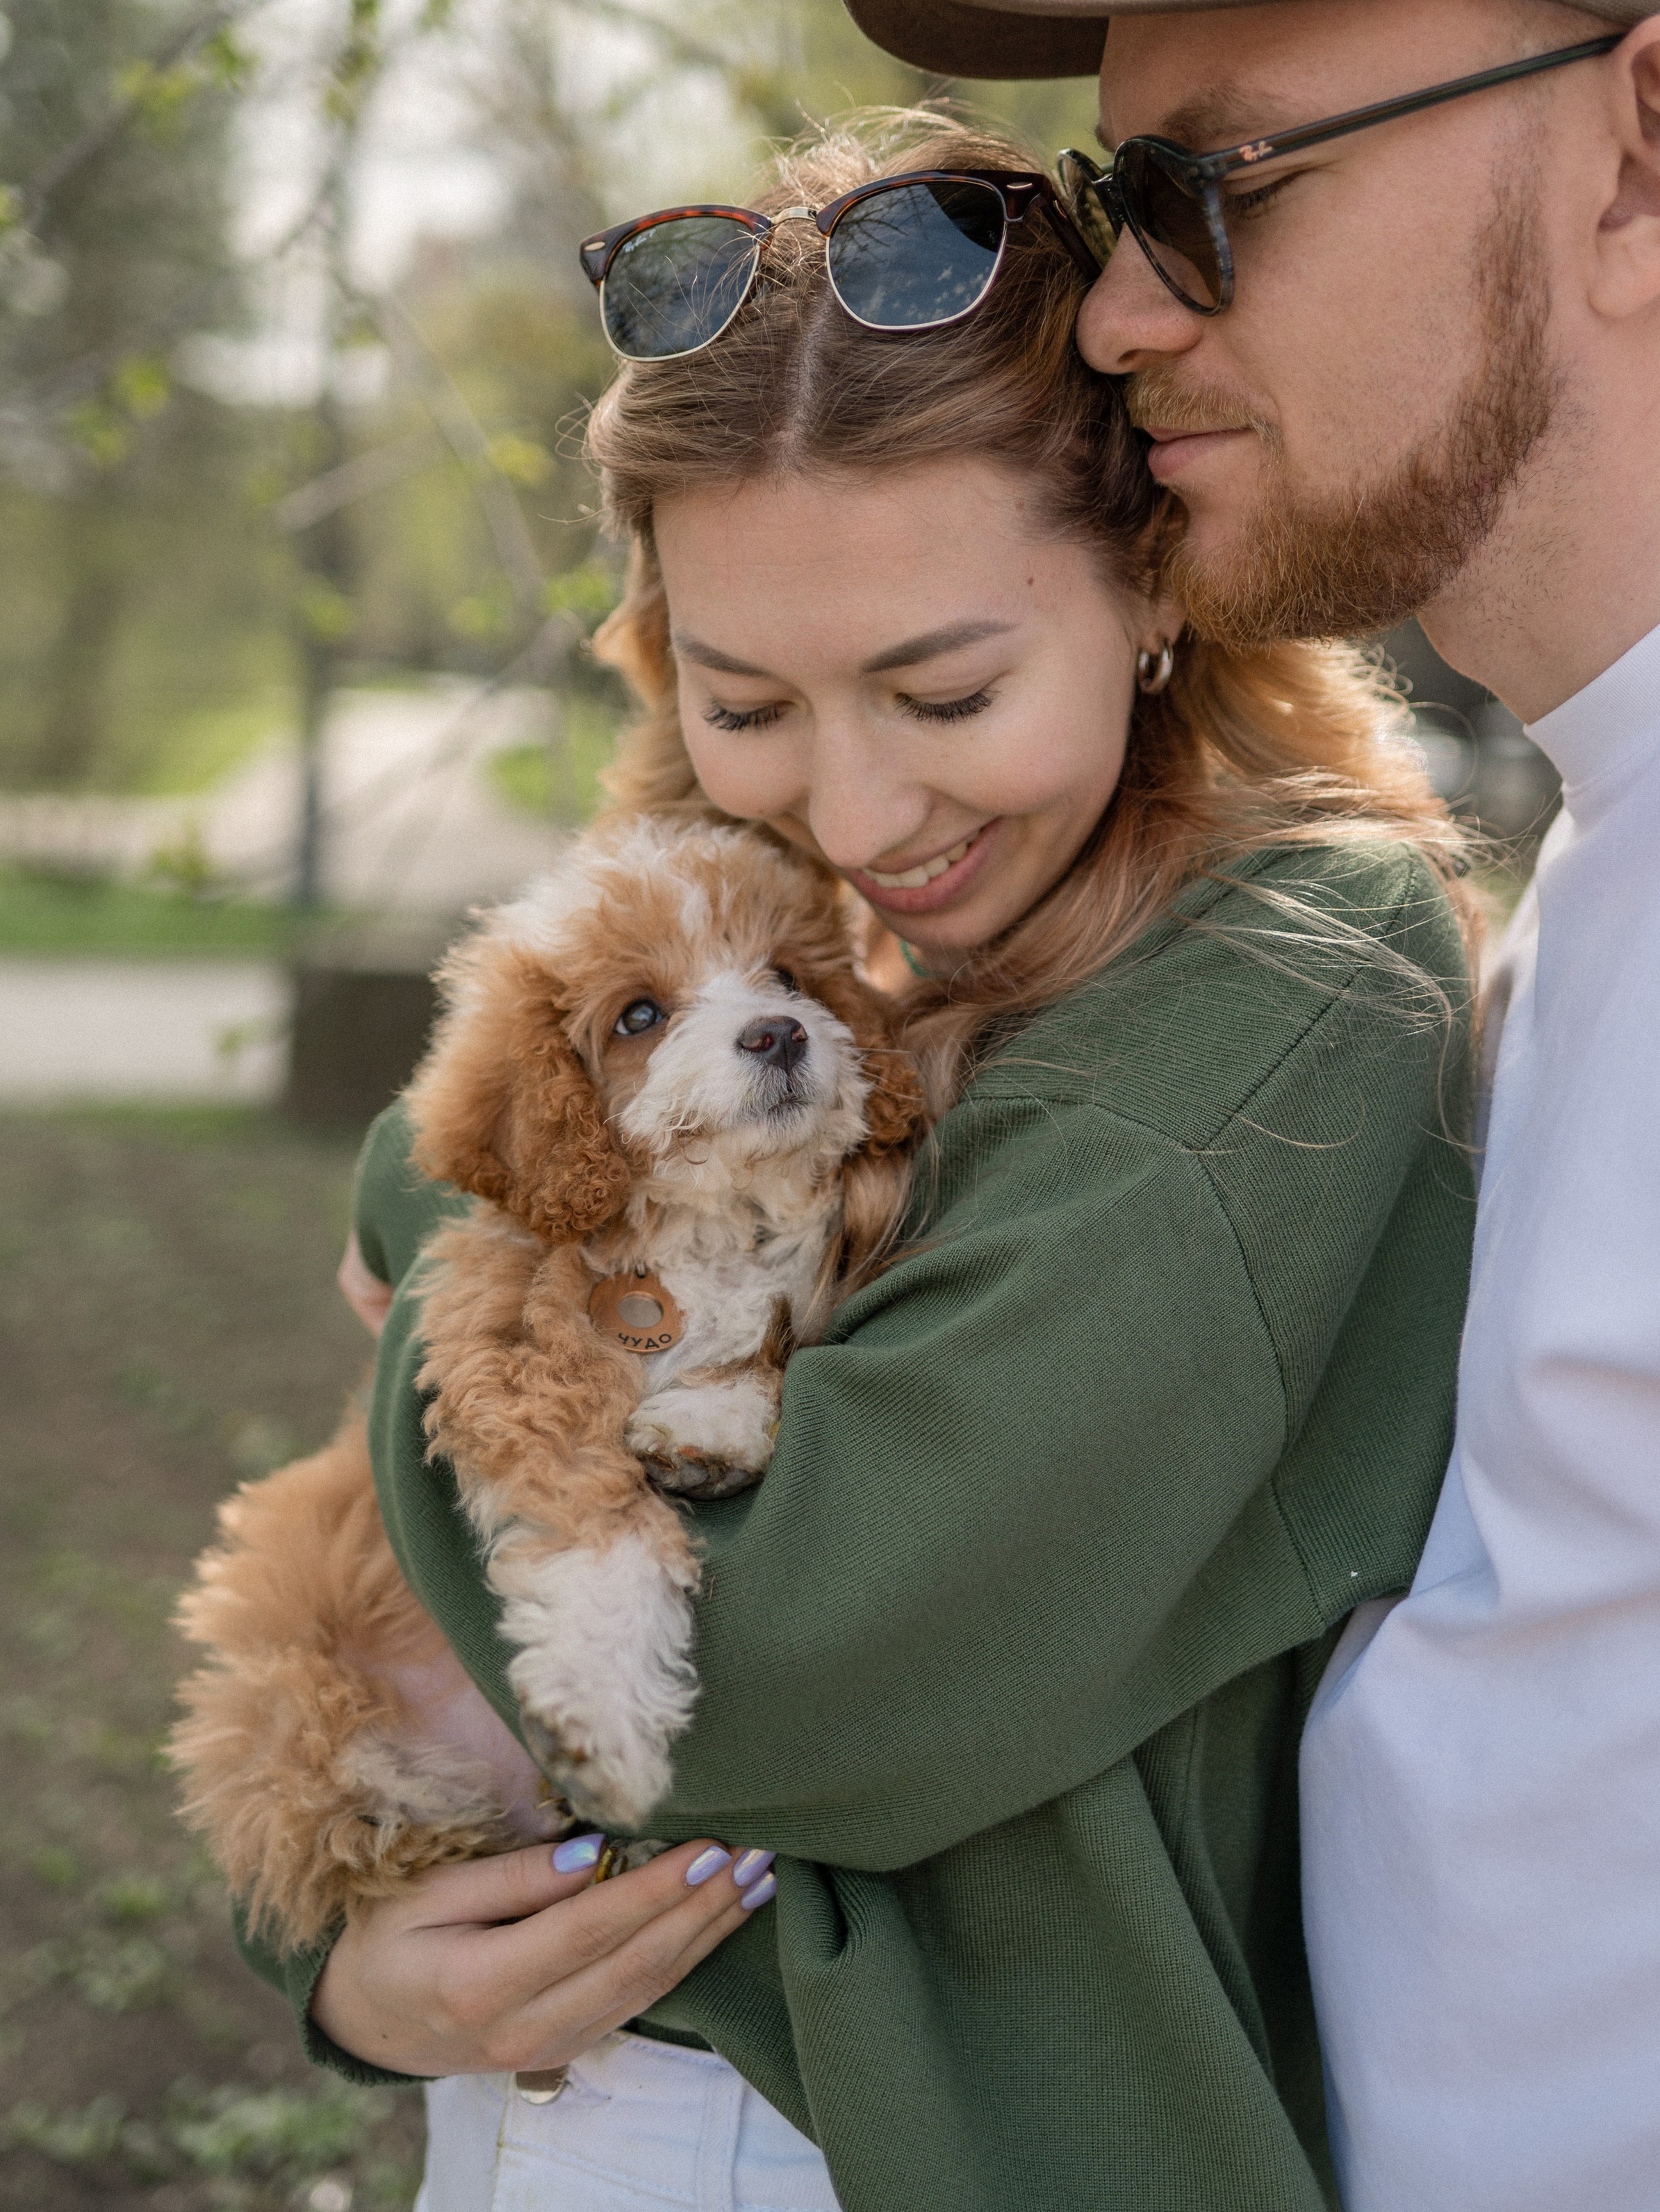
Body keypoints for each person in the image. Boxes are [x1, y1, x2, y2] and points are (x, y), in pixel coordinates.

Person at [238, 114, 1476, 2212]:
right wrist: (344, 1967)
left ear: (1157, 585)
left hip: (890, 2134)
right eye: (748, 701)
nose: (856, 805)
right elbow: (363, 1591)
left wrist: (426, 1228)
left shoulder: (1294, 983)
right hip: (560, 2089)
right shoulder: (768, 932)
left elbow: (785, 1665)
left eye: (945, 685)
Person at [831, 0, 1660, 2212]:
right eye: (1106, 211)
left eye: (1208, 190)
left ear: (1652, 156)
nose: (1122, 313)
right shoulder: (1635, 810)